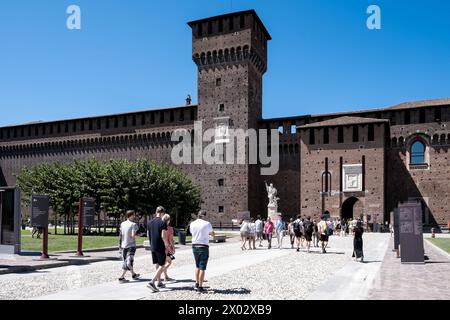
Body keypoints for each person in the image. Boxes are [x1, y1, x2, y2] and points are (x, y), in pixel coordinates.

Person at [189, 210, 214, 293]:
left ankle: (196, 283)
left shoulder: (192, 223)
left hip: (194, 246)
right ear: (204, 215)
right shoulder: (207, 223)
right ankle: (200, 287)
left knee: (197, 265)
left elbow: (192, 233)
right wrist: (211, 233)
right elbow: (212, 233)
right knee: (202, 267)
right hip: (203, 246)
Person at [147, 206, 169, 292]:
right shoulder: (162, 223)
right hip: (160, 246)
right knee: (162, 265)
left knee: (157, 264)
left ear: (156, 212)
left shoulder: (149, 222)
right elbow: (163, 235)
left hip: (152, 246)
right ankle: (152, 282)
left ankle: (159, 282)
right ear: (163, 213)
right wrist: (166, 244)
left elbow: (148, 235)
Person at [118, 210, 141, 283]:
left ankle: (133, 274)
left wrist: (119, 245)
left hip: (123, 245)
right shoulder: (133, 224)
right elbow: (133, 235)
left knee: (127, 261)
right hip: (131, 245)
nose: (134, 216)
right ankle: (121, 277)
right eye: (134, 215)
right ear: (131, 215)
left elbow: (120, 235)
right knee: (128, 262)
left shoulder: (122, 224)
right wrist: (139, 235)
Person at [162, 214, 175, 282]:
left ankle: (165, 276)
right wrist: (173, 248)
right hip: (167, 248)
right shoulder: (170, 228)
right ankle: (164, 275)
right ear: (168, 220)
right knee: (169, 262)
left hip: (161, 247)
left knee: (165, 262)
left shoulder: (160, 227)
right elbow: (171, 240)